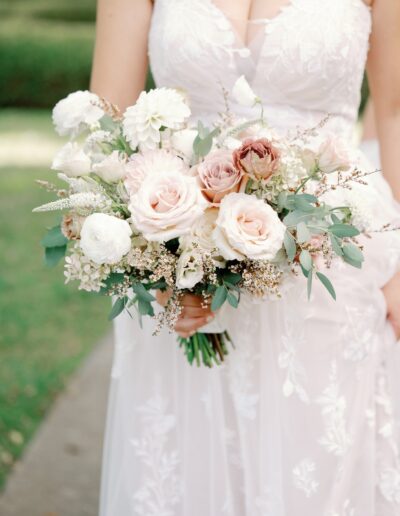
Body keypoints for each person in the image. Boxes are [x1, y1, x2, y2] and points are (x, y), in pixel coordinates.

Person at [91, 1, 400, 514]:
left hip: (332, 269)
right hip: (183, 271)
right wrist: (150, 263)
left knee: (320, 471)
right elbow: (108, 122)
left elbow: (395, 108)